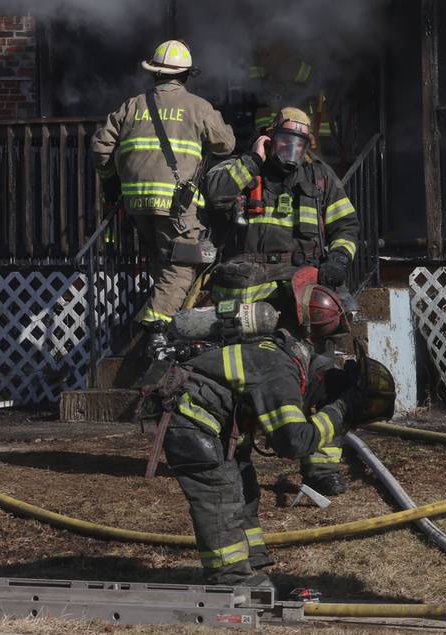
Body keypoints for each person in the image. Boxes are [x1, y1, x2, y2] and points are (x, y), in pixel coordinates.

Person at [149, 280, 395, 588]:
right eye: (321, 404)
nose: (316, 407)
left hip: (220, 427)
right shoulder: (282, 371)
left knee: (246, 490)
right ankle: (230, 579)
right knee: (220, 496)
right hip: (193, 422)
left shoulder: (298, 359)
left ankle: (253, 562)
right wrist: (340, 413)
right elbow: (293, 441)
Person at [201, 106, 360, 495]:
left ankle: (320, 467)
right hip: (246, 301)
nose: (291, 150)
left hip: (301, 297)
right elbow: (214, 192)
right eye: (284, 141)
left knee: (319, 378)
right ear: (269, 138)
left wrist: (339, 258)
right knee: (247, 381)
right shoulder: (243, 170)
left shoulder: (319, 177)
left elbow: (347, 225)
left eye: (299, 143)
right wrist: (253, 158)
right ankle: (234, 460)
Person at [91, 40, 236, 355]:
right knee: (184, 261)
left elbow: (100, 147)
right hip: (176, 205)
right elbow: (226, 145)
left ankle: (171, 325)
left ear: (154, 74)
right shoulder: (198, 107)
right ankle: (156, 325)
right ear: (186, 75)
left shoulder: (130, 106)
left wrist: (110, 181)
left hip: (136, 204)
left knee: (164, 260)